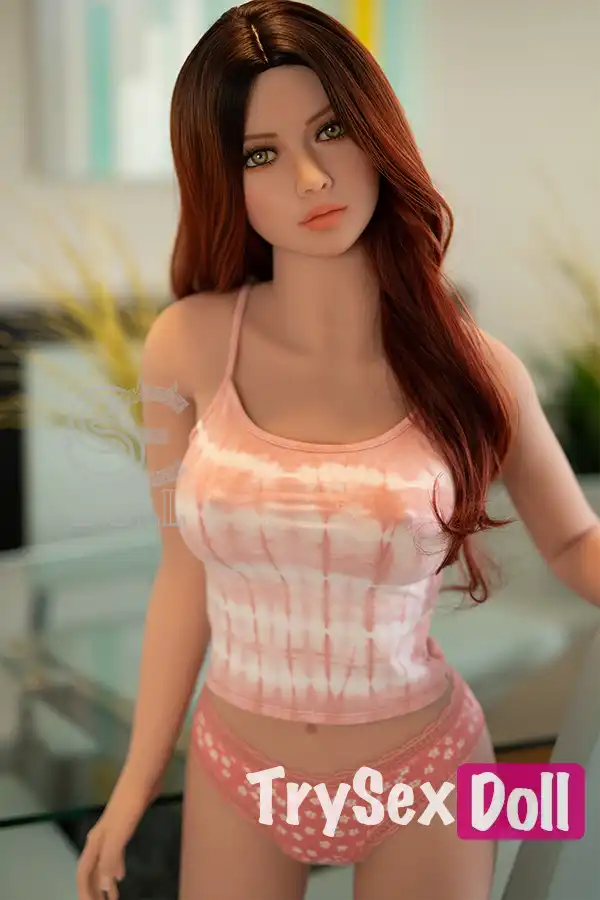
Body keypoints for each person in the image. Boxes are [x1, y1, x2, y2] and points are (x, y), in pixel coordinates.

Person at [76, 2, 600, 898]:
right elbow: (182, 573)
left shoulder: (476, 368)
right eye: (261, 154)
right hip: (235, 768)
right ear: (222, 179)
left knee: (565, 856)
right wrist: (133, 786)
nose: (312, 177)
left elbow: (574, 539)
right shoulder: (186, 344)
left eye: (331, 130)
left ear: (376, 133)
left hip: (429, 772)